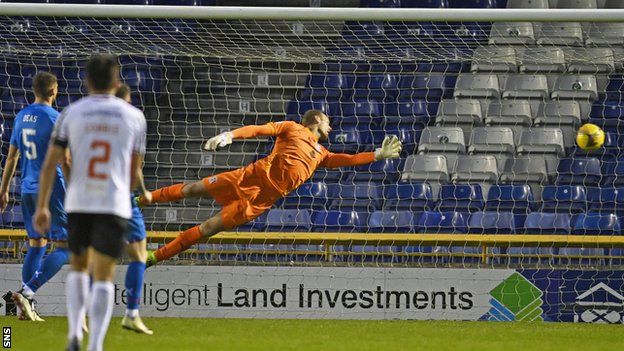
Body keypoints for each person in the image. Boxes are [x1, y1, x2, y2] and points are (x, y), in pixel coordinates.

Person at [138, 110, 402, 266]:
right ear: (316, 120)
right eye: (327, 122)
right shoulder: (292, 128)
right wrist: (231, 135)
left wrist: (377, 154)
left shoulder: (321, 153)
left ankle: (155, 257)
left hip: (260, 200)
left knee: (208, 229)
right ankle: (139, 200)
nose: (330, 127)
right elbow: (260, 129)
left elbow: (347, 160)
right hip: (249, 177)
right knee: (191, 190)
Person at [33, 55, 146, 351]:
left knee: (79, 268)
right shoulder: (134, 117)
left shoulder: (71, 113)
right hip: (113, 202)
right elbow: (134, 171)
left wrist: (43, 206)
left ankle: (73, 334)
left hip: (79, 200)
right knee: (104, 275)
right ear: (117, 82)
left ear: (87, 81)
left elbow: (50, 164)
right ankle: (95, 345)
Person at [0, 72, 70, 321]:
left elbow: (12, 157)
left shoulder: (20, 117)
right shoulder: (55, 118)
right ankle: (27, 293)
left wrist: (4, 189)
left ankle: (23, 308)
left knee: (37, 243)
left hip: (27, 189)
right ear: (54, 91)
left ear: (34, 90)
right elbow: (66, 159)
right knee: (66, 247)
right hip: (51, 187)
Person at [114, 83, 153, 335]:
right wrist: (143, 192)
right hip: (121, 195)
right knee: (139, 254)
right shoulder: (133, 120)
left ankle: (80, 319)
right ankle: (131, 314)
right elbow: (134, 166)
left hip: (89, 197)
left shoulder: (85, 117)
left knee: (93, 258)